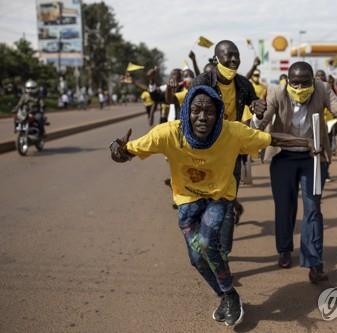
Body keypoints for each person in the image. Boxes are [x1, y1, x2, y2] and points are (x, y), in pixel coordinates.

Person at [109, 85, 321, 327]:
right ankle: (228, 297)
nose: (202, 117)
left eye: (209, 111)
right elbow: (127, 151)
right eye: (196, 110)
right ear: (186, 111)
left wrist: (306, 142)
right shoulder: (168, 133)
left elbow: (273, 138)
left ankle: (229, 294)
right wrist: (117, 151)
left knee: (208, 244)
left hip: (218, 198)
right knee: (196, 259)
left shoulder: (233, 132)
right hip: (187, 203)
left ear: (219, 113)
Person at [253, 61, 337, 283]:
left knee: (313, 208)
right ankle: (284, 249)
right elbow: (260, 124)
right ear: (288, 81)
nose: (299, 88)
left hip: (313, 158)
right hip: (283, 157)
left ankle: (314, 262)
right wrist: (257, 115)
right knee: (284, 207)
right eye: (295, 83)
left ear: (313, 81)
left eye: (305, 83)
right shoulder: (276, 92)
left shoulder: (323, 89)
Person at [191, 40, 267, 254]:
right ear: (217, 59)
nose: (234, 59)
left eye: (237, 56)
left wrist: (258, 109)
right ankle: (203, 245)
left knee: (226, 204)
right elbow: (187, 116)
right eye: (228, 56)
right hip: (203, 152)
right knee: (202, 203)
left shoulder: (244, 84)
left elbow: (255, 108)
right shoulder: (202, 82)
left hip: (230, 152)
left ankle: (223, 255)